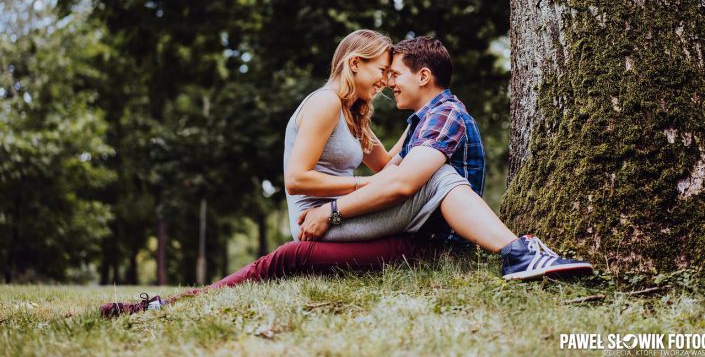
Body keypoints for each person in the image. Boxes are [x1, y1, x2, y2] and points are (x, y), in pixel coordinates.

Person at [100, 31, 591, 317]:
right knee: (435, 179)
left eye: (393, 73)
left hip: (342, 215)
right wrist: (367, 186)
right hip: (320, 215)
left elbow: (392, 167)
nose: (385, 79)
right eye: (381, 69)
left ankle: (519, 253)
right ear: (354, 64)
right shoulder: (322, 103)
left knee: (429, 172)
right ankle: (518, 252)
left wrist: (417, 131)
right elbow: (298, 180)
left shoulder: (358, 117)